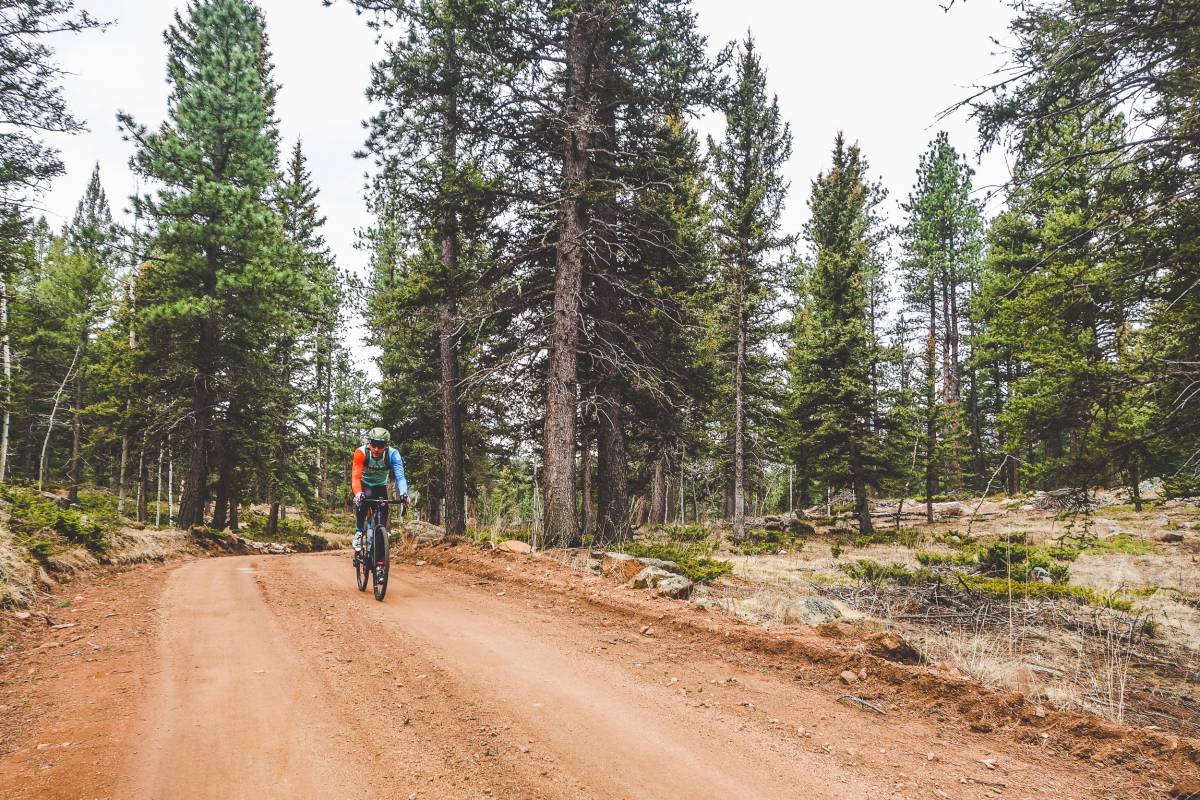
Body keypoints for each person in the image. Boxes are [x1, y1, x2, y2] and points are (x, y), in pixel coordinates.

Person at [351, 427, 408, 554]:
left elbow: (400, 477)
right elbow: (355, 476)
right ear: (369, 443)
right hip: (364, 484)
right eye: (374, 445)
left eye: (380, 445)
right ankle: (359, 532)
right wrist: (358, 493)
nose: (376, 449)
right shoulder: (361, 453)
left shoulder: (393, 454)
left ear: (386, 445)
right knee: (362, 502)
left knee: (382, 517)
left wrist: (404, 493)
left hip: (380, 486)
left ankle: (379, 541)